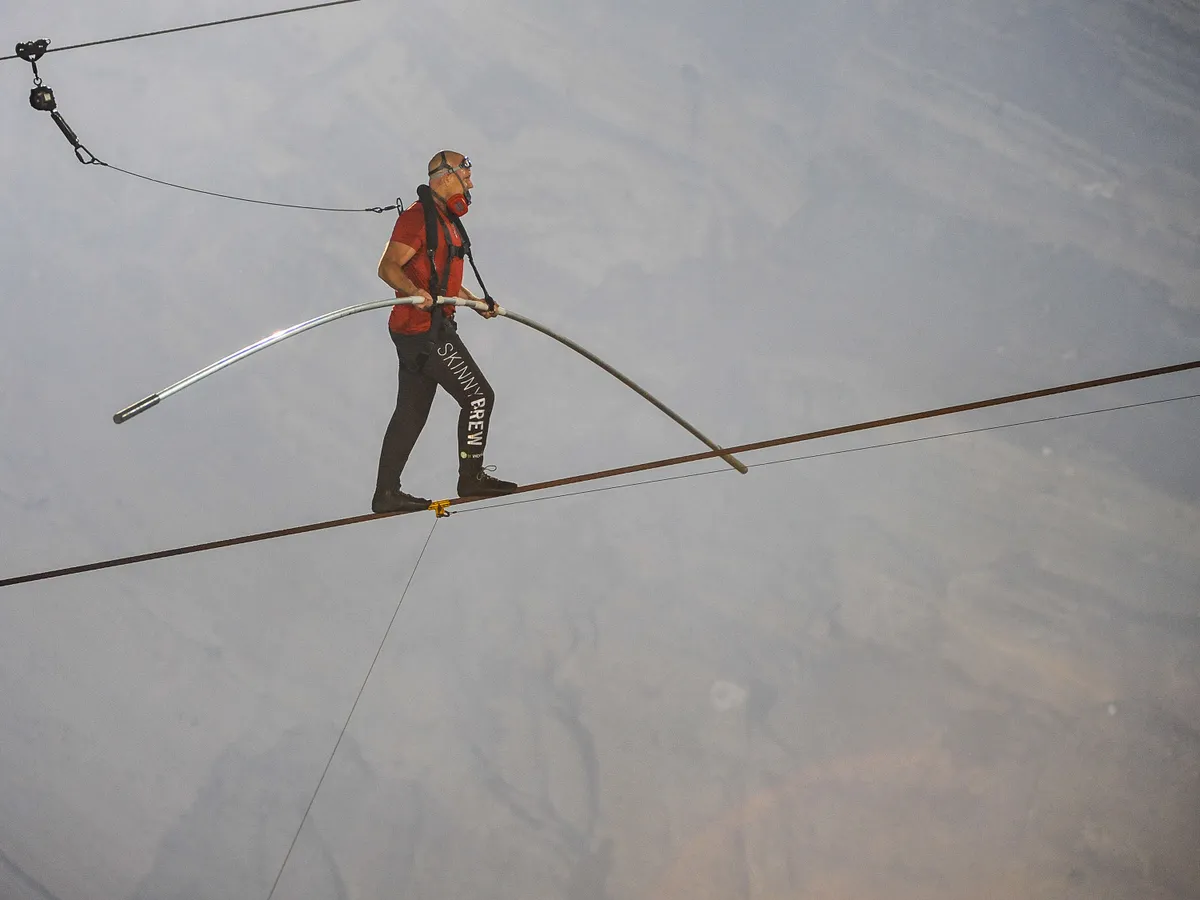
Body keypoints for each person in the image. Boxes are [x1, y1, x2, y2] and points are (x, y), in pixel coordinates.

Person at [371, 151, 518, 514]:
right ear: (444, 176)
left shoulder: (446, 222)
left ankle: (386, 494)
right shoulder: (419, 217)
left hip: (426, 331)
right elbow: (388, 267)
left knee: (410, 414)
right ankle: (471, 476)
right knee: (479, 397)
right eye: (466, 175)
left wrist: (475, 301)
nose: (470, 183)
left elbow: (442, 279)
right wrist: (412, 292)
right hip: (424, 331)